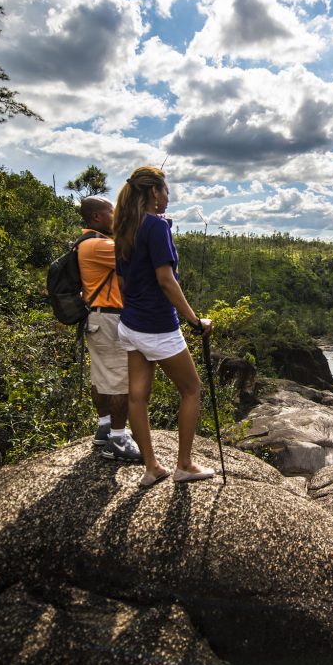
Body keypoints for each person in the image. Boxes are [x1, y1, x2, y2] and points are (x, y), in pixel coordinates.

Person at [113, 166, 215, 488]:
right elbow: (166, 280)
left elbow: (122, 280)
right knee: (192, 389)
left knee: (137, 396)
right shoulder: (156, 226)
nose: (169, 197)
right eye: (167, 191)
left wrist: (136, 309)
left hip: (130, 324)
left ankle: (152, 467)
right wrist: (195, 320)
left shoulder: (125, 226)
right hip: (157, 327)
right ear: (154, 192)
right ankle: (184, 465)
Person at [78, 197, 142, 464]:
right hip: (109, 319)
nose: (116, 217)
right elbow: (139, 262)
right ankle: (117, 438)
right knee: (120, 382)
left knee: (101, 377)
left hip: (97, 318)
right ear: (96, 217)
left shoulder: (86, 243)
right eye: (112, 212)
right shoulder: (100, 245)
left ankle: (105, 427)